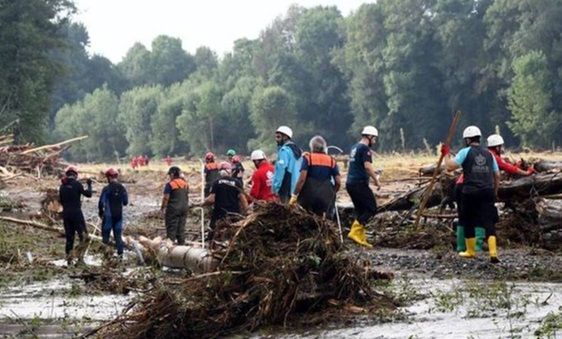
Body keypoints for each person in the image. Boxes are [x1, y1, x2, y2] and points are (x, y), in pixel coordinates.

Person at [443, 125, 501, 263]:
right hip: (487, 191)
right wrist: (494, 191)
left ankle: (470, 251)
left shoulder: (465, 152)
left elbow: (450, 167)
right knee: (488, 222)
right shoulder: (489, 154)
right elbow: (497, 175)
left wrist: (446, 154)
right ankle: (493, 253)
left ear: (468, 140)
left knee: (468, 220)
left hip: (470, 192)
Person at [346, 126, 381, 249]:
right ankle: (354, 232)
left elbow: (358, 166)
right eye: (374, 139)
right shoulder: (365, 149)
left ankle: (361, 237)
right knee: (372, 208)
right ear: (369, 137)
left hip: (350, 183)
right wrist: (376, 180)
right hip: (359, 183)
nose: (375, 141)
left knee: (361, 210)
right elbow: (367, 166)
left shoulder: (354, 147)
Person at [290, 136, 341, 216]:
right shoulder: (331, 160)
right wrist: (332, 192)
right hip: (326, 198)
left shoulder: (308, 159)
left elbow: (301, 180)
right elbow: (338, 182)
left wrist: (294, 195)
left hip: (308, 197)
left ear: (312, 147)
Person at [201, 162, 248, 241]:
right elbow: (243, 199)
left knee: (212, 232)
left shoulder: (216, 182)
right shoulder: (236, 182)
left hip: (219, 213)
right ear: (230, 171)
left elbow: (211, 199)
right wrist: (247, 212)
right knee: (235, 235)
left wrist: (203, 203)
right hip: (234, 214)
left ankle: (211, 245)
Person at [59, 165, 92, 265]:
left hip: (66, 214)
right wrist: (89, 185)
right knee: (84, 236)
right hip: (76, 213)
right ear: (75, 175)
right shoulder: (77, 184)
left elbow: (60, 200)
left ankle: (69, 259)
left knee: (70, 238)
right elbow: (88, 194)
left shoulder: (62, 186)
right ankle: (80, 258)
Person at [98, 168, 128, 259]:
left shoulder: (106, 189)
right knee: (118, 236)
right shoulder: (122, 188)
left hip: (108, 216)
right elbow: (125, 202)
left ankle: (105, 256)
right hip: (118, 216)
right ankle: (120, 256)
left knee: (105, 236)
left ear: (109, 177)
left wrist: (100, 212)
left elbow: (101, 203)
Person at [272, 126, 302, 203]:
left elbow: (281, 170)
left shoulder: (284, 151)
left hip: (286, 187)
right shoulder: (298, 150)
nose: (276, 140)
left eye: (278, 137)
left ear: (285, 137)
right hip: (296, 188)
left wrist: (276, 188)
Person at [160, 166, 189, 245]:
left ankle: (170, 248)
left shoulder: (170, 184)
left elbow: (166, 198)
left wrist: (163, 208)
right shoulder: (185, 184)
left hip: (173, 209)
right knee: (181, 229)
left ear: (172, 174)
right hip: (184, 208)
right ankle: (182, 247)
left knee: (171, 229)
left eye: (170, 175)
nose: (169, 177)